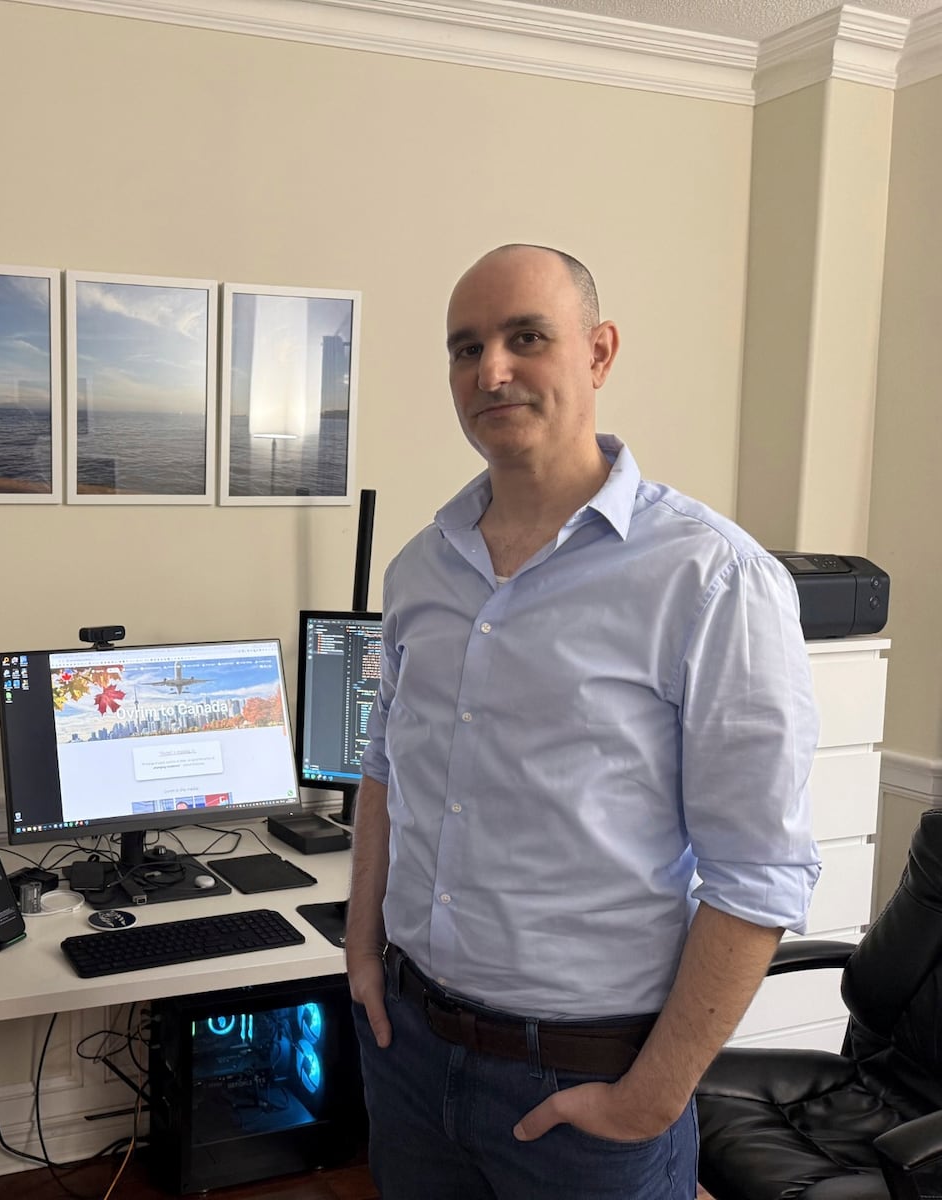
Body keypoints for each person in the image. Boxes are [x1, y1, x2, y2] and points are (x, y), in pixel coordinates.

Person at [345, 245, 820, 1199]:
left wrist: (651, 1099)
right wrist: (361, 953)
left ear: (598, 353)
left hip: (585, 1080)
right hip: (409, 1049)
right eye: (465, 347)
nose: (492, 371)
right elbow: (385, 770)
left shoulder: (711, 579)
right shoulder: (418, 572)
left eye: (527, 338)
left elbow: (758, 875)